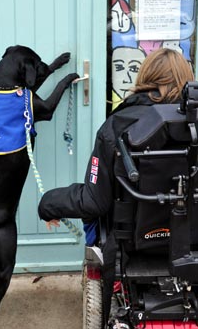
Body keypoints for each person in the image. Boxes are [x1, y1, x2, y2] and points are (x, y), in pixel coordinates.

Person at [38, 48, 194, 227]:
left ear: (145, 75)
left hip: (133, 245)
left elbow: (93, 201)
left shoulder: (118, 124)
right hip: (190, 242)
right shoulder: (193, 123)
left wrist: (48, 203)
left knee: (94, 218)